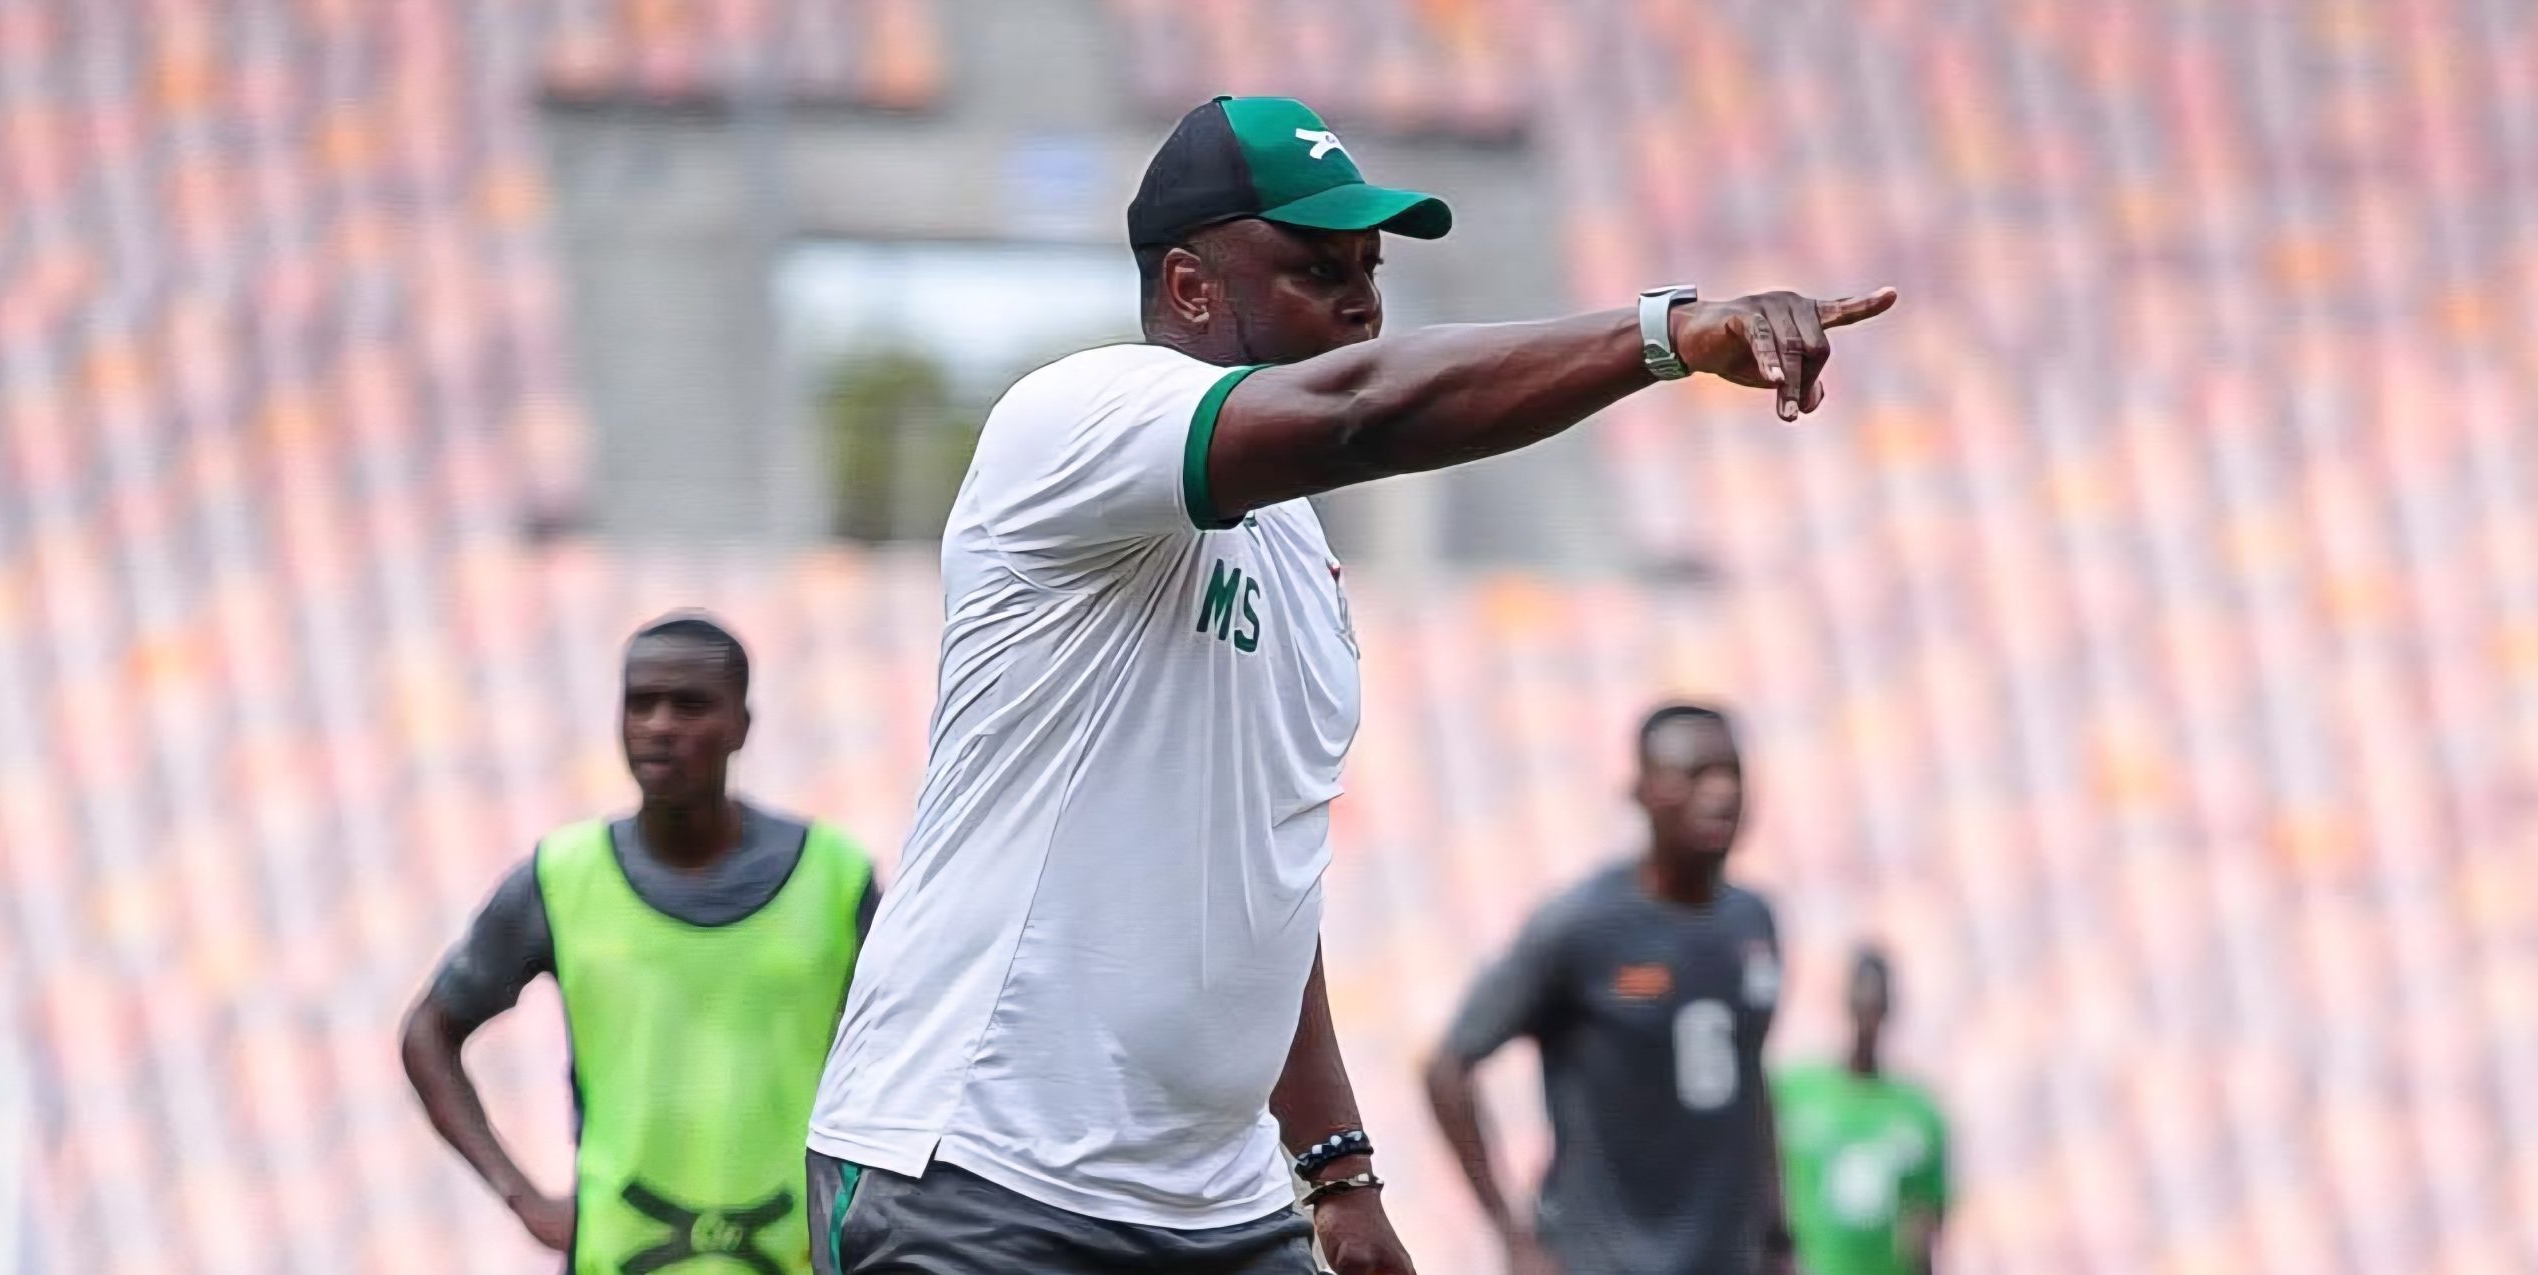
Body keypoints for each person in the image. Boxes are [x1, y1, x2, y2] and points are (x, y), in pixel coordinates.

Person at [805, 92, 1893, 1275]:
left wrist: (1334, 1165)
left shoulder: (1304, 569)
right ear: (1188, 288)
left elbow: (1266, 883)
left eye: (1369, 269)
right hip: (982, 1170)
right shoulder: (1075, 420)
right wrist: (1663, 335)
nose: (1361, 301)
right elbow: (1360, 411)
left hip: (1216, 1203)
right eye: (1315, 268)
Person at [402, 614, 880, 1275]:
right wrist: (523, 1197)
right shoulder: (562, 879)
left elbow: (911, 1056)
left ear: (742, 724)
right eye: (640, 701)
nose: (660, 723)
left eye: (690, 704)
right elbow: (428, 1033)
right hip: (619, 1256)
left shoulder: (836, 880)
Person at [1426, 704, 1792, 1275]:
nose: (1719, 792)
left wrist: (1778, 1234)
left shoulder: (1753, 923)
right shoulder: (1582, 928)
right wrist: (1513, 1235)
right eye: (1694, 775)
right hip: (1603, 1259)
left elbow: (1748, 1077)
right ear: (1641, 792)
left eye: (1731, 773)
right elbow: (1447, 1068)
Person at [1772, 949, 1948, 1275]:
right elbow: (1764, 1182)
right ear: (1846, 1000)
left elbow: (1927, 1223)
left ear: (1889, 1008)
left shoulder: (1917, 1112)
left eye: (1876, 1001)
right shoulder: (1797, 1093)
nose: (1868, 1012)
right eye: (1861, 996)